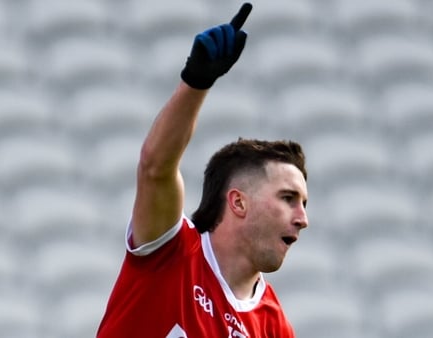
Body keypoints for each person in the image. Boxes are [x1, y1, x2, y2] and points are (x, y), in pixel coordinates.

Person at [97, 3, 309, 337]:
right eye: (288, 198)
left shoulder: (275, 328)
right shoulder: (171, 253)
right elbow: (155, 167)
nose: (302, 218)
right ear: (238, 202)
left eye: (304, 203)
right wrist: (196, 81)